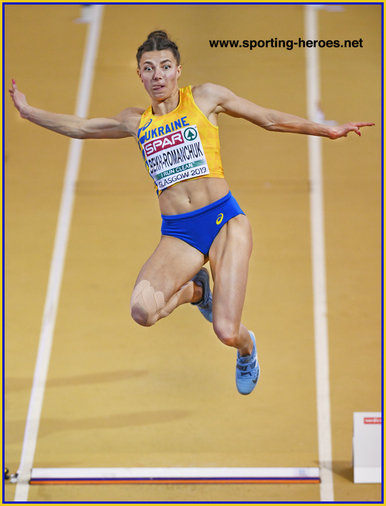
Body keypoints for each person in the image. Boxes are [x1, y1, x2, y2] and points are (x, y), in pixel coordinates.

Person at [9, 31, 374, 396]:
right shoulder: (136, 122)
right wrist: (28, 111)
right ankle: (197, 291)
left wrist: (327, 130)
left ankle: (247, 350)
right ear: (139, 75)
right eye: (148, 69)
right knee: (143, 312)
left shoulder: (205, 97)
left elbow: (268, 118)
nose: (157, 76)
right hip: (179, 234)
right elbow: (81, 127)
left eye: (165, 67)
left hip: (224, 222)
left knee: (226, 331)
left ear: (178, 70)